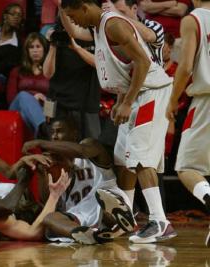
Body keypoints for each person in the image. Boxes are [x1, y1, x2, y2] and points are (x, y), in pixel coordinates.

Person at [61, 0, 176, 243]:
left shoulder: (113, 24)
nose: (74, 21)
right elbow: (126, 67)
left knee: (140, 157)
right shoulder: (98, 27)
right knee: (123, 160)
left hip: (150, 92)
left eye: (73, 16)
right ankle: (127, 220)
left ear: (84, 7)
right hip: (135, 95)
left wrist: (126, 101)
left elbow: (143, 63)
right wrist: (121, 100)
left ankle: (160, 221)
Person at [23, 117, 135, 244]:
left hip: (107, 198)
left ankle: (121, 220)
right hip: (82, 213)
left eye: (59, 131)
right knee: (49, 218)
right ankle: (90, 235)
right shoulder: (52, 164)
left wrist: (40, 143)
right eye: (52, 133)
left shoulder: (91, 145)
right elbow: (47, 202)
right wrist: (42, 174)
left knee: (104, 200)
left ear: (74, 134)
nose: (54, 136)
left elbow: (82, 151)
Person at [165, 0, 210, 247]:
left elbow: (184, 67)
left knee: (186, 167)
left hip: (205, 101)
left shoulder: (193, 20)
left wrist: (172, 100)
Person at [7, 32, 50, 137]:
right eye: (31, 47)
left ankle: (39, 136)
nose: (35, 50)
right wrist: (32, 98)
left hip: (42, 111)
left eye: (38, 46)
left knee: (25, 116)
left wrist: (44, 100)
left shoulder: (50, 72)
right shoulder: (17, 71)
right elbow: (11, 99)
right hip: (16, 109)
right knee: (23, 96)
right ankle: (44, 130)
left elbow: (54, 99)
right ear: (27, 51)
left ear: (44, 49)